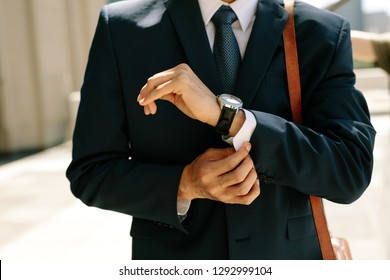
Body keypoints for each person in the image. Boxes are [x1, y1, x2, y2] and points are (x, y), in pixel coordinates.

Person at [66, 0, 376, 260]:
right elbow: (90, 171)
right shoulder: (123, 29)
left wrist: (232, 119)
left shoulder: (319, 33)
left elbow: (350, 170)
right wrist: (185, 184)